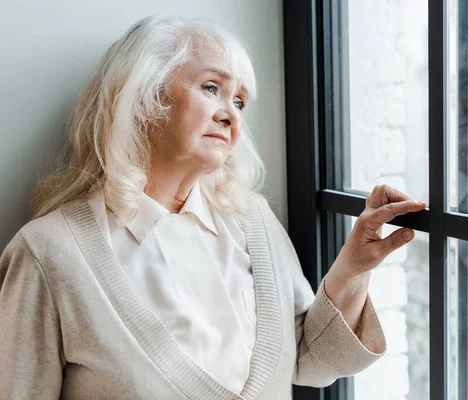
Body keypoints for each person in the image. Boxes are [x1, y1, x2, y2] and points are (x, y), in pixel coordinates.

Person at [0, 15, 427, 399]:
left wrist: (353, 267)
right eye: (211, 88)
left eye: (239, 101)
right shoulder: (47, 253)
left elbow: (309, 364)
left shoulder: (254, 222)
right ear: (144, 96)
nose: (232, 116)